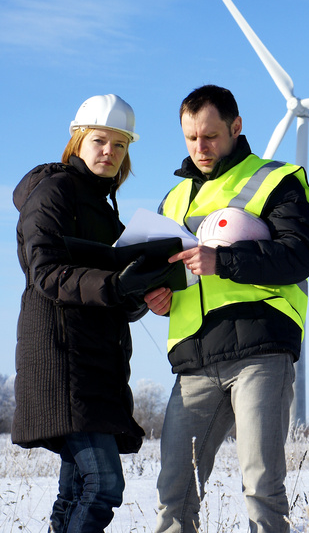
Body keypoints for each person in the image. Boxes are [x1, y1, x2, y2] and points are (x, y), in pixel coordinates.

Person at [145, 84, 309, 533]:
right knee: (174, 495)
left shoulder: (277, 179)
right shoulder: (173, 199)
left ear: (236, 127)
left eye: (210, 136)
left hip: (260, 350)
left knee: (262, 489)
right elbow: (171, 273)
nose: (199, 147)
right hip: (195, 361)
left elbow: (298, 257)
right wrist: (158, 299)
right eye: (190, 138)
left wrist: (222, 261)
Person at [12, 94, 174, 532]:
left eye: (120, 145)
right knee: (102, 486)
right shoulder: (53, 191)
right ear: (78, 140)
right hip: (62, 358)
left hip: (99, 362)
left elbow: (112, 294)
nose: (110, 152)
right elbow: (45, 272)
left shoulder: (106, 212)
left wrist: (141, 293)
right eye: (100, 140)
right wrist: (116, 284)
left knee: (76, 489)